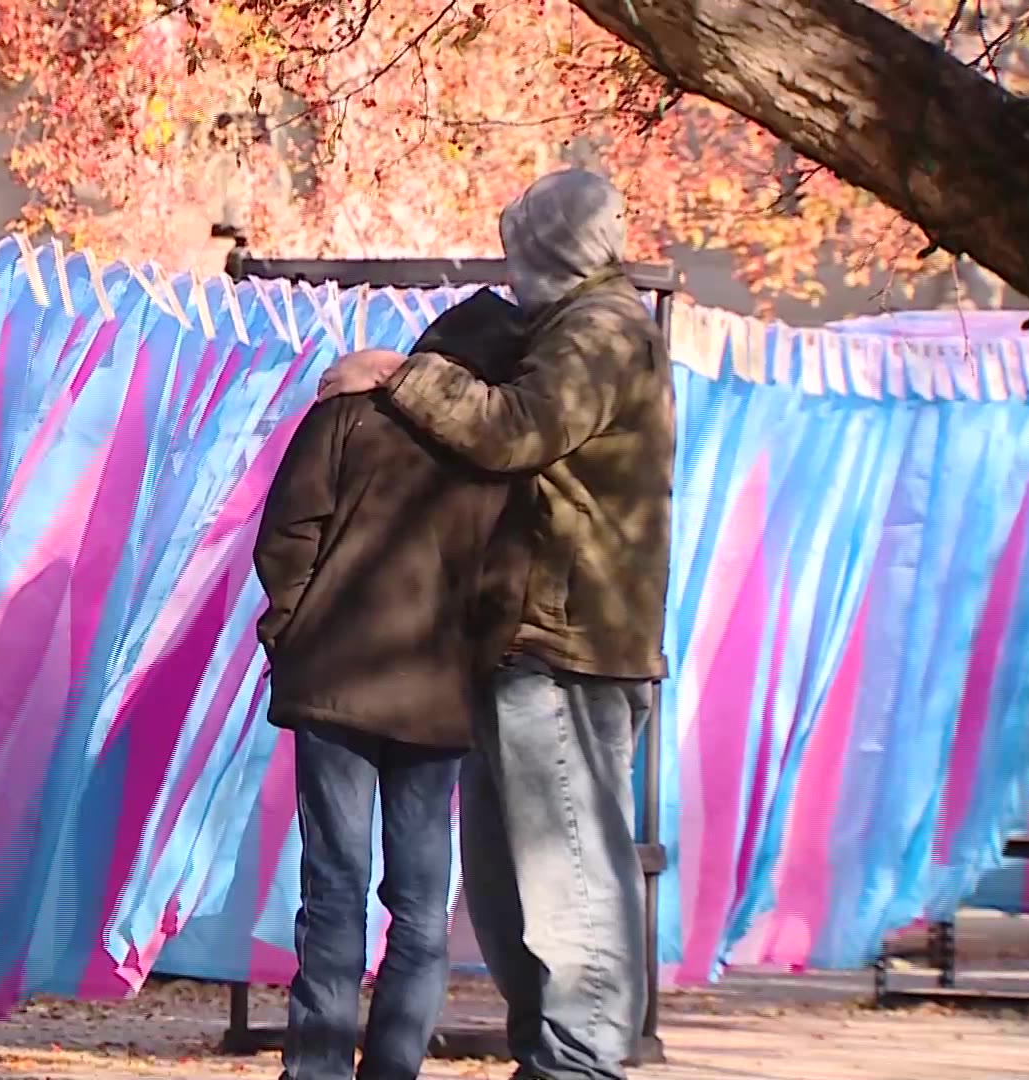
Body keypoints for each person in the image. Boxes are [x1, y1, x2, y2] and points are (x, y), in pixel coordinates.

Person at [318, 169, 673, 1080]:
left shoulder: (599, 328)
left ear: (546, 246)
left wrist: (399, 373)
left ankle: (579, 1060)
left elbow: (518, 428)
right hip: (528, 638)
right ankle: (552, 1053)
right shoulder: (573, 326)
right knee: (512, 874)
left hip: (561, 640)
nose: (510, 269)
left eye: (518, 246)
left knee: (567, 874)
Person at [255, 288, 533, 1080]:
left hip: (334, 678)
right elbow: (507, 584)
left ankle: (315, 1069)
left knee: (332, 888)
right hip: (436, 696)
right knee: (418, 904)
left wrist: (291, 630)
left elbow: (287, 533)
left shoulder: (348, 413)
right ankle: (394, 1068)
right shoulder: (497, 454)